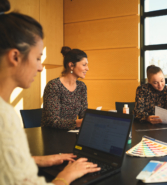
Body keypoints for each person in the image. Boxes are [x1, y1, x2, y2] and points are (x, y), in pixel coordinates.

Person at [0, 1, 100, 184]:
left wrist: (37, 160)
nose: (40, 68)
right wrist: (66, 175)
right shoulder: (4, 118)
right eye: (38, 58)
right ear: (15, 56)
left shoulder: (5, 113)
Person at [41, 46, 89, 129]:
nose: (87, 68)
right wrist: (77, 123)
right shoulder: (54, 86)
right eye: (84, 65)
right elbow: (52, 121)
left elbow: (83, 115)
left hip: (71, 133)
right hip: (51, 135)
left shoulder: (82, 86)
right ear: (71, 65)